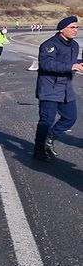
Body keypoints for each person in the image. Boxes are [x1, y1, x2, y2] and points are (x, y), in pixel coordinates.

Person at [33, 16, 83, 161]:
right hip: (50, 89)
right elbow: (46, 64)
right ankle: (38, 151)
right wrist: (71, 67)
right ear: (62, 29)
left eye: (77, 27)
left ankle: (49, 138)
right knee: (46, 121)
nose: (76, 30)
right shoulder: (49, 45)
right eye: (72, 27)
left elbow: (71, 62)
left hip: (66, 88)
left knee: (70, 118)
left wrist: (79, 63)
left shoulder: (74, 45)